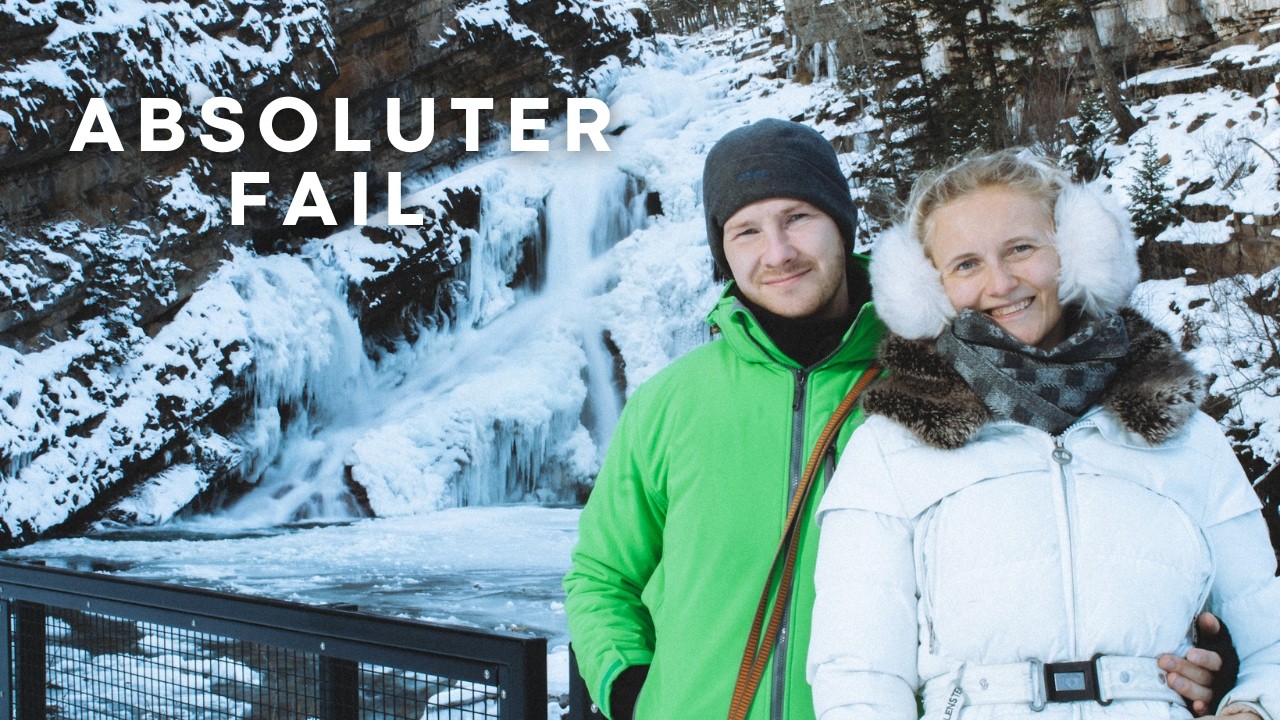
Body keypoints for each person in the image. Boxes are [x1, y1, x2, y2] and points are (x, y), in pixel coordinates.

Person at [563, 121, 1227, 720]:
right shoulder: (670, 402)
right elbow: (600, 576)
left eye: (798, 217)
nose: (778, 251)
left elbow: (1079, 528)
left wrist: (1173, 653)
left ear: (842, 223)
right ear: (723, 252)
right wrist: (633, 692)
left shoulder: (950, 376)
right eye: (746, 230)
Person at [807, 148, 1279, 720]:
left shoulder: (1190, 439)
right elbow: (858, 676)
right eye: (965, 264)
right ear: (925, 289)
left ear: (1076, 251)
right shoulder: (889, 448)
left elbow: (1269, 638)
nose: (1001, 283)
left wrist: (1252, 706)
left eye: (1021, 249)